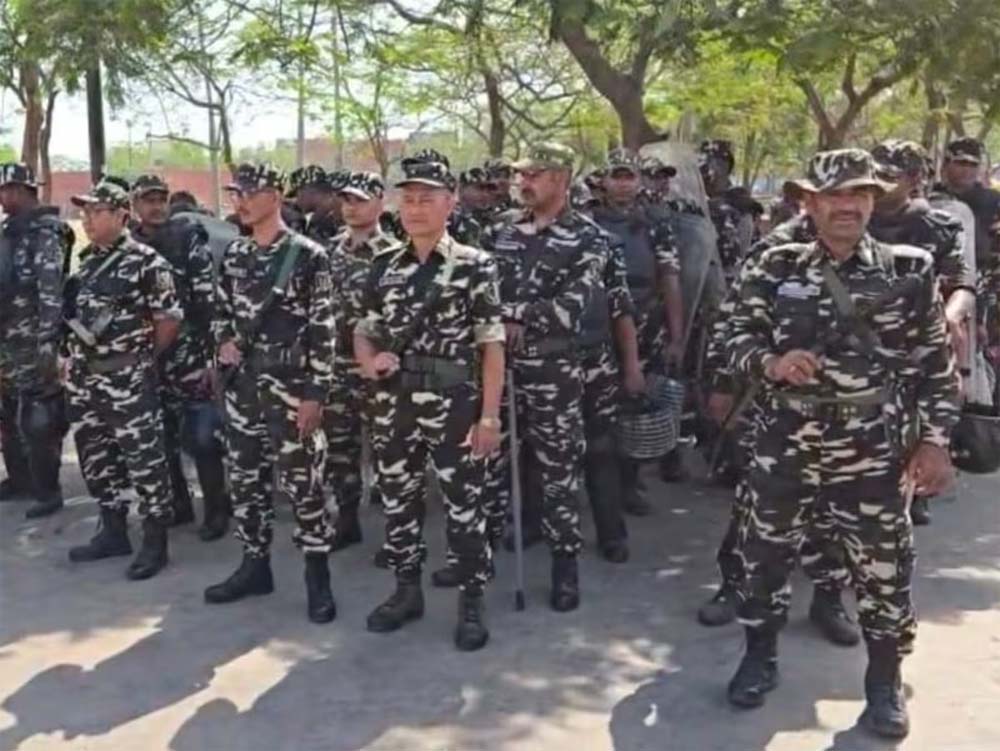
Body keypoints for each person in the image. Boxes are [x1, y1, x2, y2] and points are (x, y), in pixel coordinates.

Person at [724, 149, 959, 740]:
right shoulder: (773, 265)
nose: (847, 205)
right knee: (765, 555)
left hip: (873, 446)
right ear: (809, 202)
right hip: (785, 441)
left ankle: (883, 681)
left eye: (859, 193)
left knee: (883, 567)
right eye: (833, 195)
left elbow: (935, 367)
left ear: (873, 200)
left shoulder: (908, 271)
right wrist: (770, 362)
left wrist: (935, 443)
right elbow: (732, 336)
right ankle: (759, 656)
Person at [354, 155, 504, 651]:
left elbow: (492, 346)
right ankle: (406, 591)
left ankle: (472, 600)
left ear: (450, 203)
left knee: (465, 508)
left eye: (427, 199)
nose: (416, 208)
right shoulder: (383, 266)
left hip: (454, 402)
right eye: (409, 199)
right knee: (399, 502)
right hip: (394, 404)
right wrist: (369, 361)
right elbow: (365, 329)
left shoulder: (475, 265)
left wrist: (489, 416)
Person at [204, 163, 337, 623]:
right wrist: (223, 342)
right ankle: (254, 565)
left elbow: (324, 330)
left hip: (291, 389)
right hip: (243, 389)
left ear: (276, 196)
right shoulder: (236, 254)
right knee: (246, 481)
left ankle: (317, 576)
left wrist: (315, 393)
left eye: (249, 192)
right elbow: (221, 311)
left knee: (305, 485)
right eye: (235, 193)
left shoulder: (307, 255)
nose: (239, 201)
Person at [481, 142, 604, 612]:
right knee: (489, 463)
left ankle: (564, 566)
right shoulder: (500, 230)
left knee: (558, 471)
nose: (523, 182)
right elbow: (478, 291)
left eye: (534, 174)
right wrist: (506, 318)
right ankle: (480, 555)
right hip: (499, 366)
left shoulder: (587, 237)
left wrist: (516, 316)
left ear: (561, 179)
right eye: (521, 174)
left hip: (554, 370)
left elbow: (572, 307)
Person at [64, 176, 183, 580]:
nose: (87, 218)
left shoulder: (147, 262)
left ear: (121, 216)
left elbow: (168, 320)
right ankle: (112, 530)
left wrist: (139, 358)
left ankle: (155, 541)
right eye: (84, 212)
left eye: (96, 211)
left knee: (145, 461)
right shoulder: (87, 262)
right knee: (95, 458)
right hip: (86, 379)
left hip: (127, 379)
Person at [872, 139, 978, 525]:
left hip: (919, 339)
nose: (880, 183)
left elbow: (963, 286)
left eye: (890, 176)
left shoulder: (940, 226)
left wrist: (949, 317)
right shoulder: (851, 218)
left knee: (922, 411)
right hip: (860, 339)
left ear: (914, 178)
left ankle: (916, 486)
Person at [130, 174, 231, 541]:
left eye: (161, 200)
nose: (157, 207)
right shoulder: (130, 244)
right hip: (149, 355)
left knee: (203, 437)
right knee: (161, 435)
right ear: (134, 205)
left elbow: (207, 299)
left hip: (190, 353)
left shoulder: (187, 238)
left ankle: (217, 509)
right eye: (149, 200)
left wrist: (211, 355)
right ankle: (179, 503)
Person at [593, 149, 685, 517]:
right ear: (603, 180)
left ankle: (629, 485)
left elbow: (671, 279)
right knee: (598, 411)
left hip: (646, 324)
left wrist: (676, 337)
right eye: (616, 176)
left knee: (636, 405)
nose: (623, 184)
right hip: (599, 325)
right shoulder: (587, 221)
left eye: (629, 176)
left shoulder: (655, 223)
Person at [324, 171, 397, 553]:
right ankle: (347, 519)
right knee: (340, 447)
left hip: (379, 367)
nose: (351, 207)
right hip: (337, 365)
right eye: (346, 200)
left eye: (360, 200)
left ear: (380, 203)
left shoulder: (395, 253)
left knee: (390, 450)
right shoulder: (329, 251)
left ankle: (396, 535)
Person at [0, 162, 72, 518]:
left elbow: (51, 290)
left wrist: (48, 341)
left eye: (6, 190)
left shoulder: (46, 231)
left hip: (33, 340)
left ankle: (48, 491)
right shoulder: (10, 231)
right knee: (8, 415)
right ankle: (20, 480)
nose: (2, 198)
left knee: (39, 418)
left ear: (23, 190)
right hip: (8, 341)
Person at [933, 138, 1000, 267]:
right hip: (936, 269)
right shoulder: (931, 197)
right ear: (946, 164)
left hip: (980, 270)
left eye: (973, 165)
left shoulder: (993, 199)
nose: (967, 170)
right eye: (961, 163)